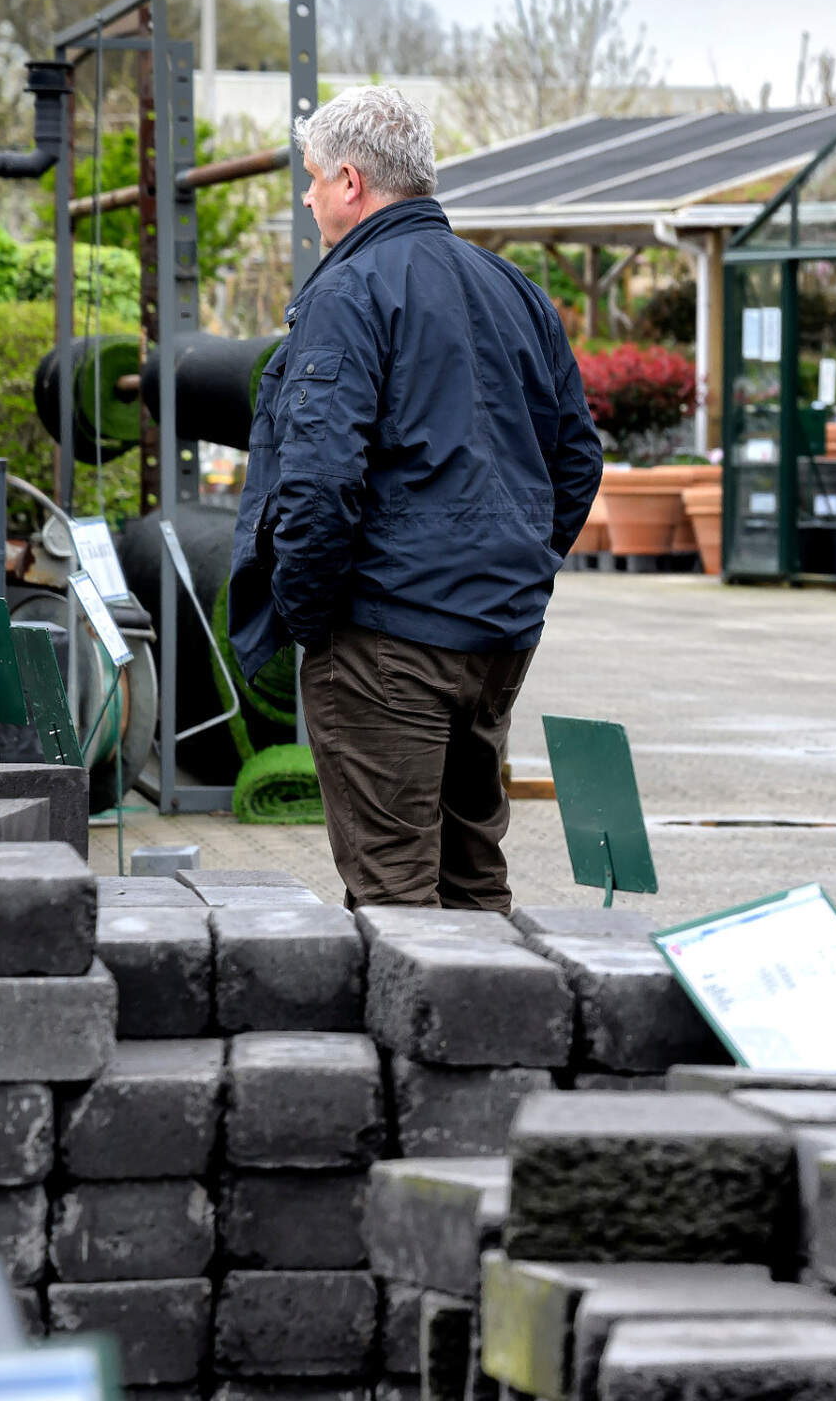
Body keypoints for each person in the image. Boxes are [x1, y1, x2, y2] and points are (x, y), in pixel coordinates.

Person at [229, 84, 601, 910]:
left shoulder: (347, 291)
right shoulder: (515, 290)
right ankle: (497, 1038)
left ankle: (427, 1042)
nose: (308, 195)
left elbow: (319, 477)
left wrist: (309, 614)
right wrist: (521, 568)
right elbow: (577, 456)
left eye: (314, 178)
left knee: (394, 895)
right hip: (496, 636)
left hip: (385, 638)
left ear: (352, 181)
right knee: (473, 879)